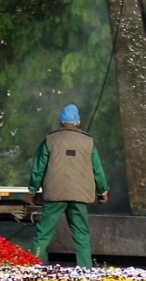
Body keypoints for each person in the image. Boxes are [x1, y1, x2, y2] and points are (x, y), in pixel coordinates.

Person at [28, 104, 108, 267]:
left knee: (43, 233)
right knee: (81, 235)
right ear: (78, 122)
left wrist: (32, 190)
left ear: (60, 122)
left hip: (54, 195)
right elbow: (97, 169)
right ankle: (85, 269)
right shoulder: (88, 142)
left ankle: (32, 265)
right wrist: (103, 191)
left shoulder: (49, 140)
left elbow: (38, 168)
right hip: (80, 195)